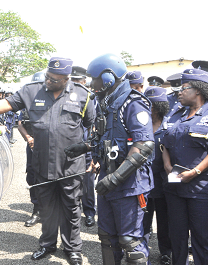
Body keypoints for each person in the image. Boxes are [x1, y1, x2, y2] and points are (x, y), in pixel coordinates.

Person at [0, 57, 95, 265]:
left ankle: (72, 249)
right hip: (43, 163)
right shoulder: (32, 91)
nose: (49, 81)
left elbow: (91, 127)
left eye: (55, 79)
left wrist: (91, 156)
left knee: (71, 208)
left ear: (66, 79)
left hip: (71, 166)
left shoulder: (82, 95)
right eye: (48, 76)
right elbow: (9, 103)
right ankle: (47, 244)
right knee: (47, 207)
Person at [67, 53, 154, 265]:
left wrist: (115, 178)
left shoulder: (133, 103)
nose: (90, 83)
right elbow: (107, 139)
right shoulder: (106, 104)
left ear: (108, 77)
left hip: (129, 184)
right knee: (107, 237)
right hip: (108, 179)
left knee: (130, 242)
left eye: (93, 78)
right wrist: (84, 147)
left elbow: (144, 145)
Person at [161, 68, 208, 265]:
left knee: (201, 236)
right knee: (177, 236)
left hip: (199, 189)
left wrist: (195, 171)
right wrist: (167, 164)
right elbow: (164, 142)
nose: (179, 92)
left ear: (197, 90)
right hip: (175, 187)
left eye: (184, 88)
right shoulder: (175, 114)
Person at [142, 86, 172, 265]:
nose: (149, 108)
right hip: (143, 181)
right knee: (143, 221)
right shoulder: (140, 124)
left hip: (163, 183)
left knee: (164, 221)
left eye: (152, 105)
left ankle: (165, 252)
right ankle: (141, 251)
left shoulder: (169, 126)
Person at [70, 66, 96, 227]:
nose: (75, 85)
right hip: (70, 148)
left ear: (84, 82)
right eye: (73, 81)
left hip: (87, 147)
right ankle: (72, 211)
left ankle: (89, 213)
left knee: (88, 183)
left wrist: (94, 154)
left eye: (78, 81)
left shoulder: (91, 98)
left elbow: (95, 127)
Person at [17, 71, 45, 227]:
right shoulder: (27, 103)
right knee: (33, 176)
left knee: (48, 176)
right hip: (32, 145)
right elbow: (20, 124)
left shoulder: (52, 101)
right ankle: (37, 210)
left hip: (48, 146)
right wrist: (28, 138)